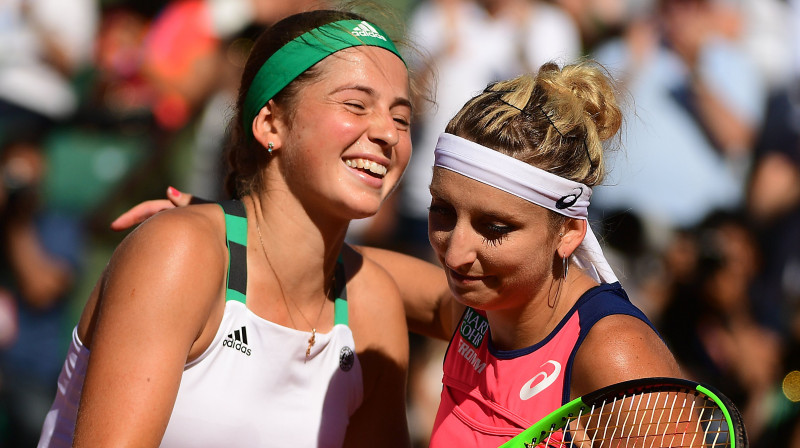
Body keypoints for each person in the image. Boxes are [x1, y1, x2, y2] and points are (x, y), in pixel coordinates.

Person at [114, 60, 684, 446]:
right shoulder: (479, 309)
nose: (457, 252)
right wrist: (223, 225)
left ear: (568, 233)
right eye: (442, 213)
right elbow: (332, 262)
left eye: (494, 228)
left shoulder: (616, 357)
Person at [37, 9, 412, 447]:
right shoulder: (178, 251)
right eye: (355, 104)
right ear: (271, 124)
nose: (388, 132)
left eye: (402, 119)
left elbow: (490, 310)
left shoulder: (376, 304)